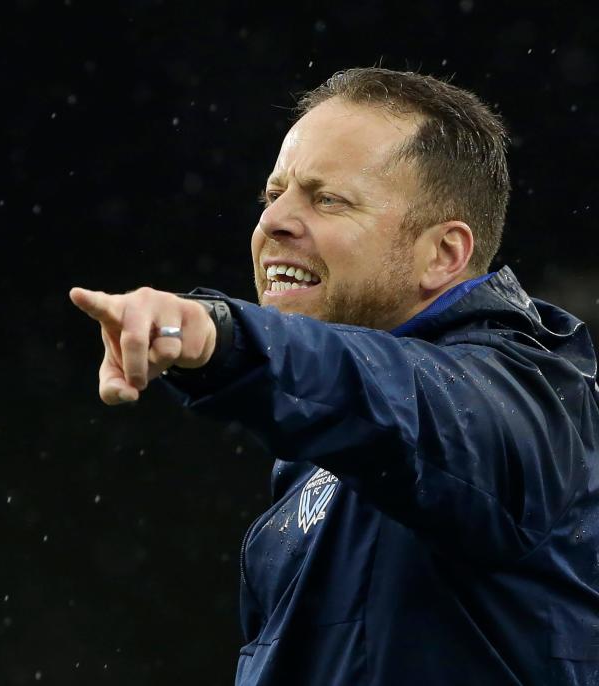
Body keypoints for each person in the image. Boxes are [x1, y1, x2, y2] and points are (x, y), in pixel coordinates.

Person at [69, 67, 599, 685]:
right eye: (274, 195)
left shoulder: (529, 403)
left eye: (328, 200)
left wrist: (227, 337)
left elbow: (404, 397)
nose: (274, 223)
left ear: (443, 254)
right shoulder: (326, 444)